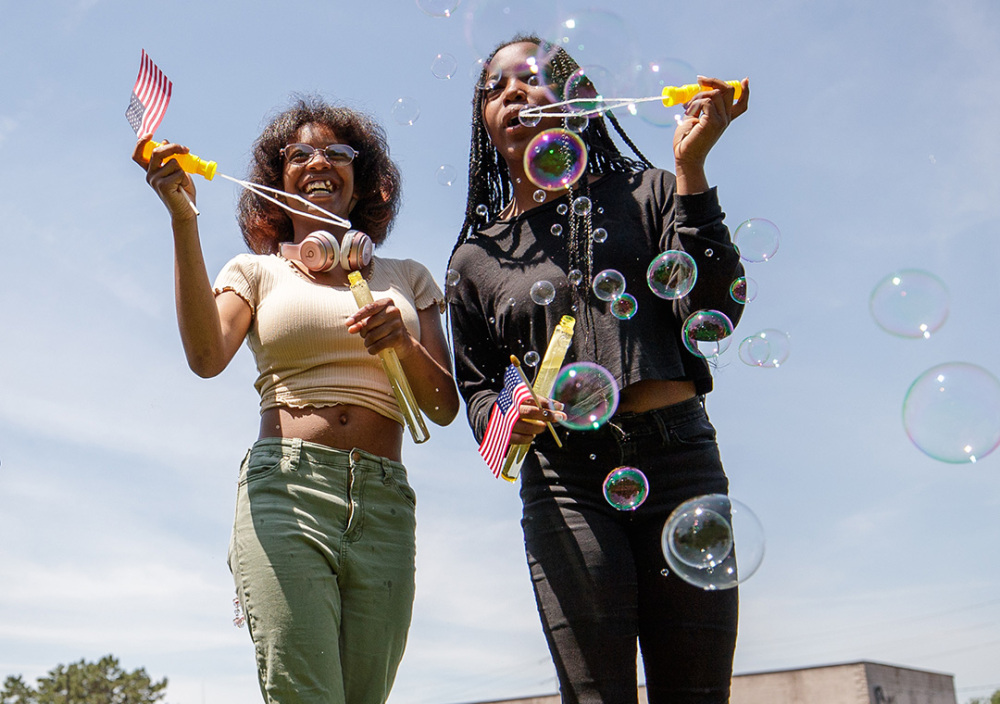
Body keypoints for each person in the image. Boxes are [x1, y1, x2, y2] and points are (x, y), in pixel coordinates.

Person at [446, 35, 750, 704]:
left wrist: (692, 168)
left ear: (575, 100)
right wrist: (504, 415)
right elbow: (475, 386)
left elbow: (715, 308)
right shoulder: (476, 256)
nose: (514, 93)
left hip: (680, 463)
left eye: (531, 78)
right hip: (565, 483)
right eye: (495, 89)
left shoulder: (652, 190)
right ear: (485, 125)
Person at [133, 97, 459, 704]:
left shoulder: (409, 276)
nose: (319, 162)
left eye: (338, 152)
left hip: (385, 504)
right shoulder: (255, 273)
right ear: (275, 177)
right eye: (299, 153)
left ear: (364, 180)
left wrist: (404, 343)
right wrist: (183, 221)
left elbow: (442, 406)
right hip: (286, 491)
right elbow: (206, 359)